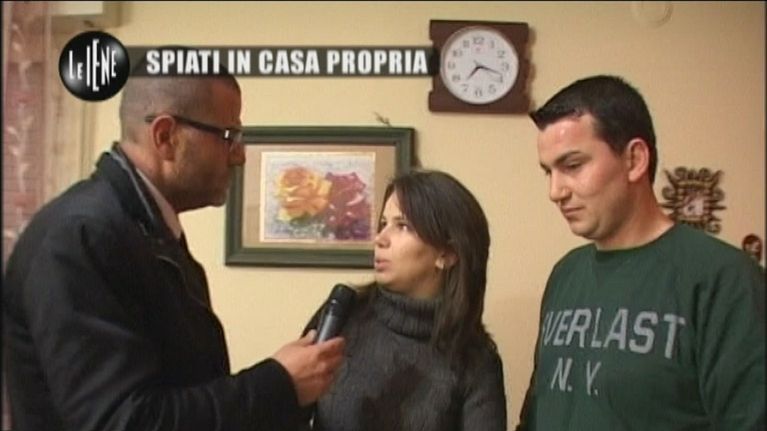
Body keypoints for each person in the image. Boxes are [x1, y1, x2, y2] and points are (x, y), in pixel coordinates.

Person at [2, 65, 345, 430]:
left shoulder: (144, 231)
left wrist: (286, 387)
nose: (239, 155)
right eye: (228, 135)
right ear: (165, 136)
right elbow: (124, 422)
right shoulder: (80, 236)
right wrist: (278, 384)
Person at [516, 75, 765, 430]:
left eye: (572, 166)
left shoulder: (725, 279)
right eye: (548, 172)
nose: (555, 191)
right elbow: (536, 413)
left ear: (634, 159)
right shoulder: (566, 274)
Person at [302, 169, 507, 431]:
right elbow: (288, 413)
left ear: (446, 254)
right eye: (383, 224)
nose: (380, 239)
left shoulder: (476, 361)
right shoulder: (341, 315)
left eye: (403, 226)